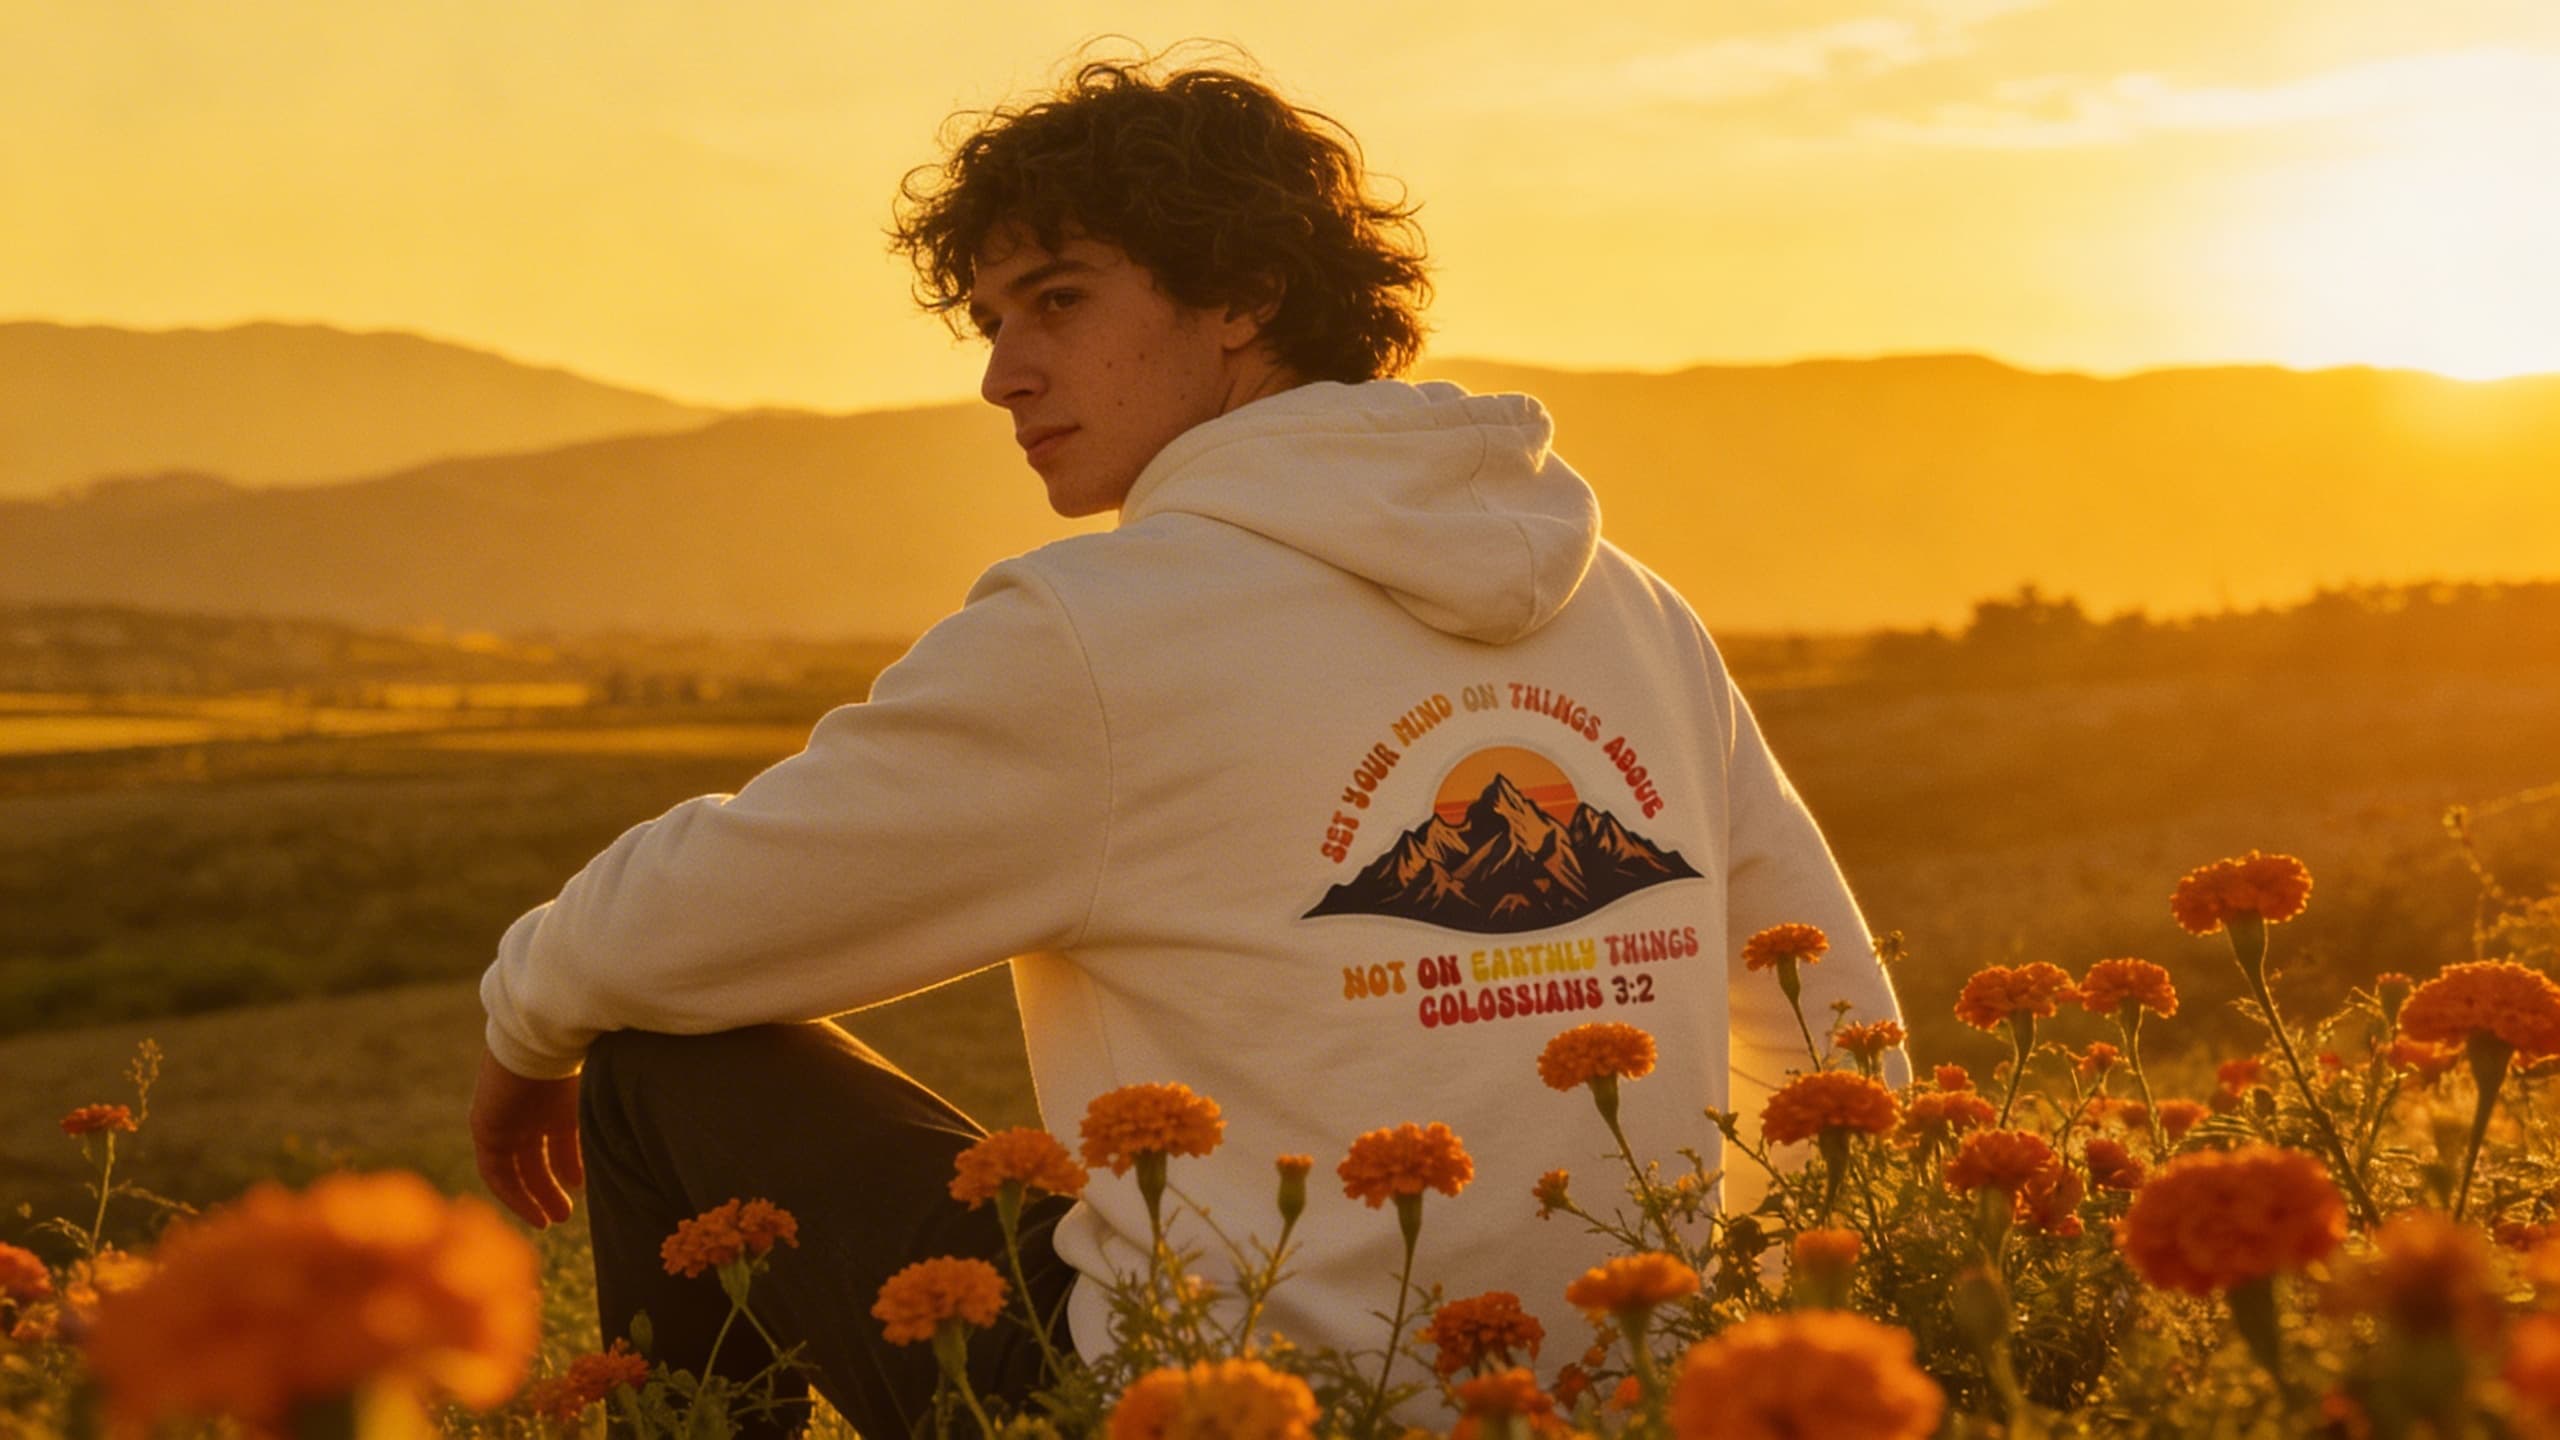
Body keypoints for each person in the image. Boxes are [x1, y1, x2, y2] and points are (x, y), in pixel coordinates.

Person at [469, 51, 1905, 1437]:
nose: (1005, 376)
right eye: (991, 323)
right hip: (1613, 1389)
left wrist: (530, 1017)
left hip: (1192, 1412)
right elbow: (1835, 1032)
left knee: (661, 1063)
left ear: (1244, 296)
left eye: (1058, 299)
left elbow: (688, 922)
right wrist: (1717, 1379)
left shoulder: (1098, 632)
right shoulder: (1631, 607)